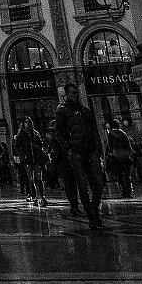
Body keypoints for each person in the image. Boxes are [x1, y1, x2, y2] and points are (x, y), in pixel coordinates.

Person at [54, 81, 106, 232]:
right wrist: (68, 149)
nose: (76, 95)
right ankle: (91, 216)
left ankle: (94, 208)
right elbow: (58, 132)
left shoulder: (85, 110)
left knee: (98, 182)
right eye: (73, 93)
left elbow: (94, 130)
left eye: (77, 93)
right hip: (76, 152)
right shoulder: (62, 110)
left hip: (90, 150)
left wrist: (98, 148)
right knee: (82, 186)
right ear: (66, 95)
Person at [14, 116, 48, 207]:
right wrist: (22, 155)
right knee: (31, 179)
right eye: (25, 122)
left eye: (28, 122)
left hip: (36, 159)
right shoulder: (21, 134)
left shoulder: (35, 133)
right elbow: (17, 146)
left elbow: (41, 144)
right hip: (27, 159)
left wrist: (39, 149)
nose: (27, 124)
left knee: (38, 178)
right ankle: (35, 196)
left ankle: (41, 196)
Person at [104, 118, 136, 198]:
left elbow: (109, 146)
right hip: (125, 155)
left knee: (119, 174)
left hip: (115, 156)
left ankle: (122, 190)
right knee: (127, 174)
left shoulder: (110, 135)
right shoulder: (124, 134)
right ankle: (128, 191)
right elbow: (128, 146)